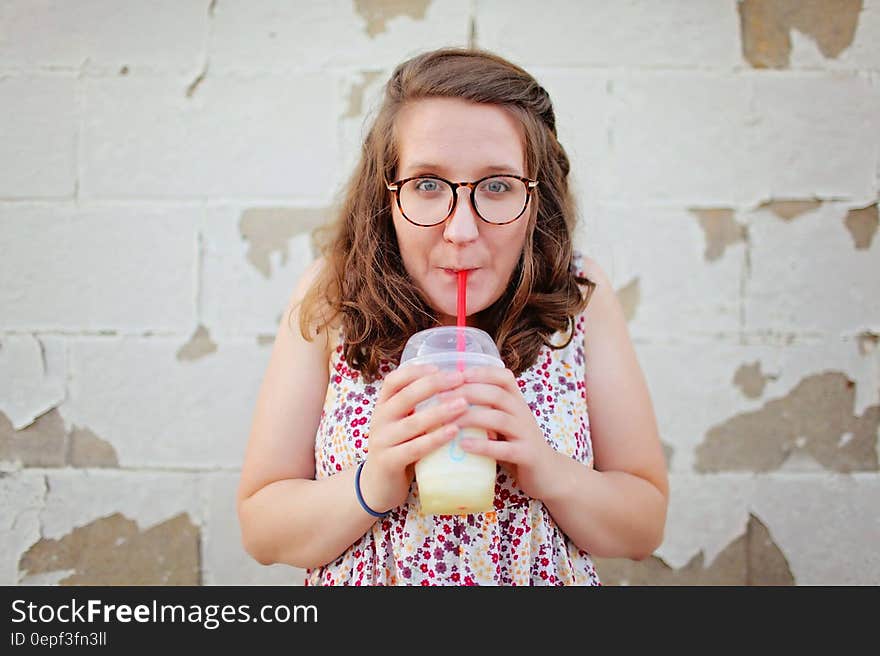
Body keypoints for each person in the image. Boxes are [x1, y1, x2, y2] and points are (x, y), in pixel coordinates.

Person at [236, 47, 668, 586]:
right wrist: (375, 482)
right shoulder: (331, 296)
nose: (461, 230)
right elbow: (261, 530)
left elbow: (643, 527)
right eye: (426, 184)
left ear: (538, 199)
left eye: (497, 185)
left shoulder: (580, 296)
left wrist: (546, 469)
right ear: (386, 195)